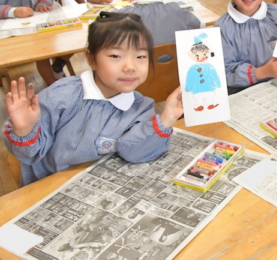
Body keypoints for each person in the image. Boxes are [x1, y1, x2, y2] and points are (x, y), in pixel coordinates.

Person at [3, 12, 183, 187]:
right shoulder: (61, 96)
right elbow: (29, 154)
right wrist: (25, 130)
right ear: (91, 59)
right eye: (115, 56)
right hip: (48, 188)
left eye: (140, 57)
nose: (130, 67)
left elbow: (134, 153)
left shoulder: (141, 107)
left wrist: (166, 118)